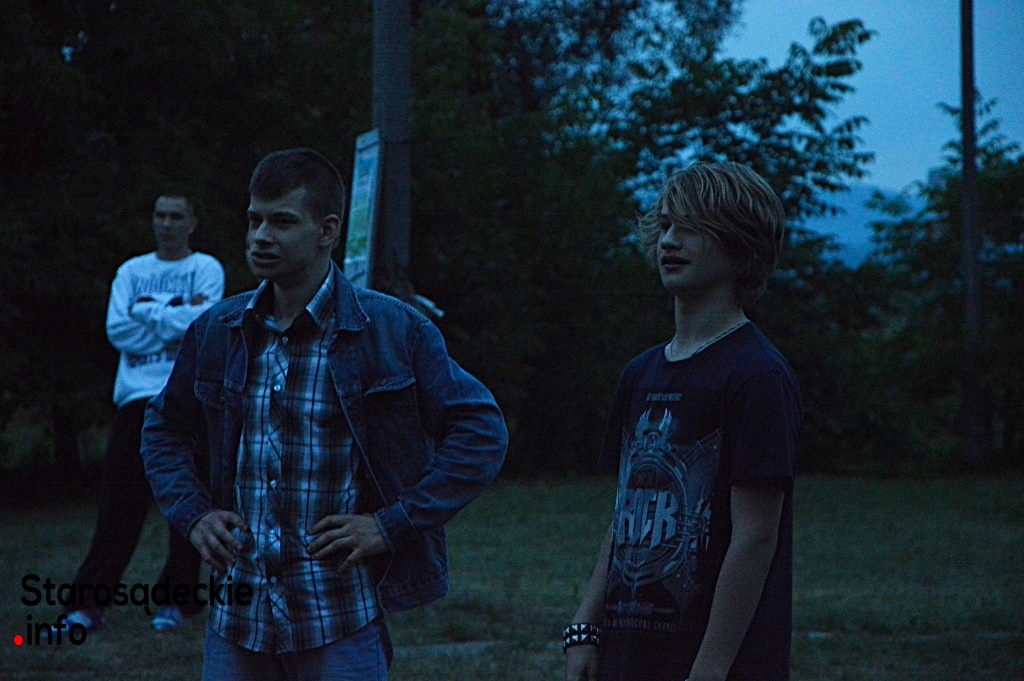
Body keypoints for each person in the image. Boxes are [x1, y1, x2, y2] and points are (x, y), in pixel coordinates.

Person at [141, 148, 508, 680]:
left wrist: (392, 524)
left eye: (282, 222)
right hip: (238, 621)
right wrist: (193, 513)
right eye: (254, 220)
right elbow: (163, 428)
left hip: (339, 618)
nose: (261, 236)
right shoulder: (219, 331)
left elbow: (482, 432)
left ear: (328, 231)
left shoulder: (391, 330)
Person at [564, 162, 803, 681]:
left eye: (692, 228)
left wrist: (710, 669)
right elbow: (627, 516)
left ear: (741, 244)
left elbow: (756, 537)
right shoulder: (640, 374)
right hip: (628, 656)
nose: (670, 240)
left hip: (713, 662)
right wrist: (585, 625)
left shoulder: (757, 376)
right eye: (667, 224)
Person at [63, 193, 225, 632]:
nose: (167, 223)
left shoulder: (206, 268)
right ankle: (87, 604)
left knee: (188, 502)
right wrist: (174, 316)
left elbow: (203, 326)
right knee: (120, 505)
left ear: (192, 222)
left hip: (186, 398)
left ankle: (178, 601)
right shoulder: (131, 271)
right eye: (160, 215)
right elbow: (118, 330)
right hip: (136, 399)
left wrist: (146, 313)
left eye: (176, 216)